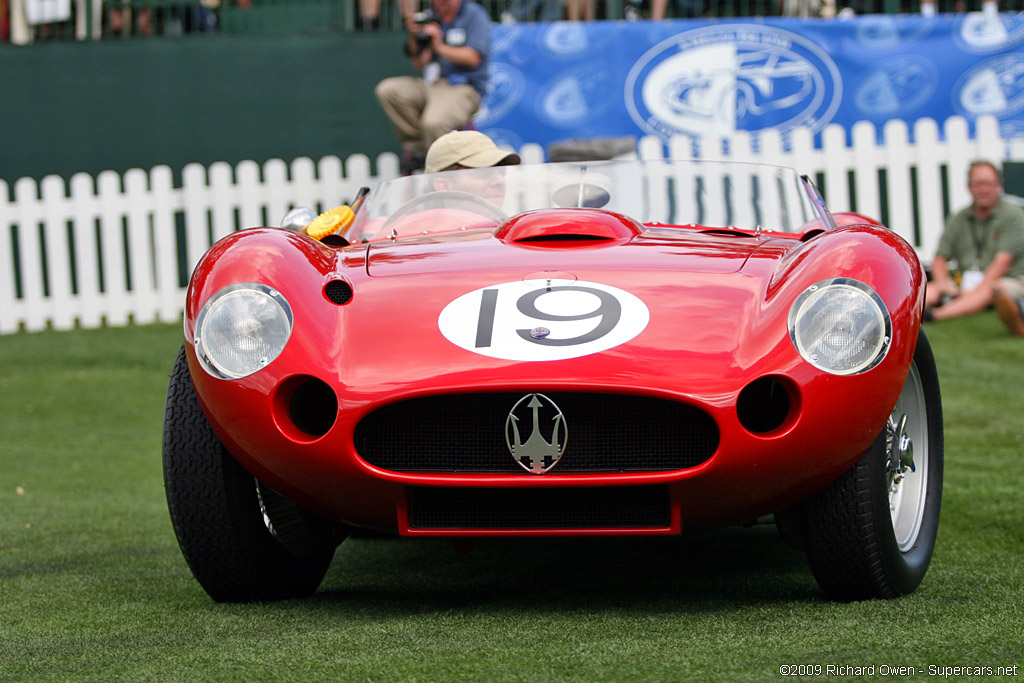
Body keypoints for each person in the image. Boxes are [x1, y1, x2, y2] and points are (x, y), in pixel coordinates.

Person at [374, 0, 492, 175]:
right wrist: (414, 35)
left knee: (434, 122)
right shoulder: (430, 17)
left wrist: (439, 46)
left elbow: (473, 58)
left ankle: (442, 169)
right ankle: (420, 149)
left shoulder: (473, 15)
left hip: (462, 87)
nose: (440, 2)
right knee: (388, 90)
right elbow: (419, 63)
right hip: (432, 84)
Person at [924, 160, 1024, 335]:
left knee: (994, 288)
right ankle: (899, 317)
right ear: (969, 187)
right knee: (930, 289)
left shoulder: (1013, 216)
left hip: (1007, 278)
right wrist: (943, 285)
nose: (983, 189)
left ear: (999, 186)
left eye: (988, 184)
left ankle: (934, 315)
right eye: (978, 184)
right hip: (965, 280)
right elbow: (939, 259)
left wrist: (972, 292)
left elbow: (1002, 263)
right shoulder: (960, 217)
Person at [425, 130, 521, 206]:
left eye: (501, 170)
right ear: (444, 187)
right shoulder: (417, 229)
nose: (499, 181)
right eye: (484, 172)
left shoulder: (514, 230)